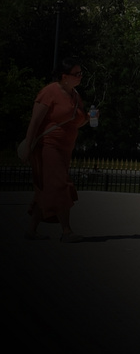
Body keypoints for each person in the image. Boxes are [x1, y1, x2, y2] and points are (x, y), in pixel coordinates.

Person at [21, 58, 91, 241]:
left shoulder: (75, 95)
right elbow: (35, 121)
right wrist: (28, 145)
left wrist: (90, 117)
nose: (80, 77)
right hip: (48, 146)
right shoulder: (49, 92)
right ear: (64, 76)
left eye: (81, 73)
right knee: (60, 185)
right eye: (76, 74)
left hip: (64, 148)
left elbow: (77, 122)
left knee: (46, 188)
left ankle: (31, 230)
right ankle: (66, 231)